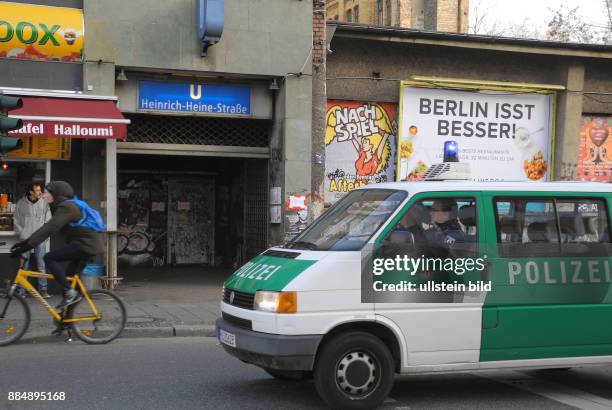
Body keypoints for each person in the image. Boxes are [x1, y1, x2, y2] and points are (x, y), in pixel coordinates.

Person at [10, 181, 105, 309]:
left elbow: (49, 228)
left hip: (85, 245)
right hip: (86, 245)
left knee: (49, 258)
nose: (43, 195)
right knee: (69, 280)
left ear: (56, 194)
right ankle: (66, 321)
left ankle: (70, 294)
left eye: (46, 193)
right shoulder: (62, 207)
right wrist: (26, 243)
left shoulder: (67, 207)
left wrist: (26, 245)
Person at [13, 182, 51, 298]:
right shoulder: (21, 203)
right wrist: (22, 234)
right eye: (38, 191)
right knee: (24, 265)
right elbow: (16, 220)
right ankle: (21, 290)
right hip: (26, 240)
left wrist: (44, 234)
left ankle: (43, 290)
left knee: (41, 265)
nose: (40, 193)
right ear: (31, 192)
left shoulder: (44, 203)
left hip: (40, 239)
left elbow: (48, 220)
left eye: (40, 190)